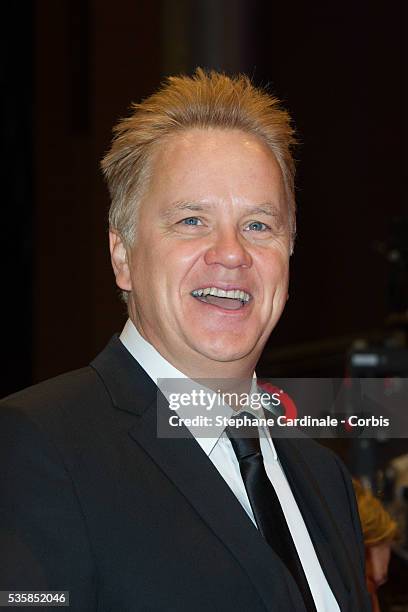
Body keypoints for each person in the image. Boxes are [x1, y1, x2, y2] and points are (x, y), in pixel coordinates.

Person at [0, 69, 371, 611]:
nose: (231, 253)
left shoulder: (325, 479)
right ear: (122, 256)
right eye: (193, 220)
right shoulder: (38, 447)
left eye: (259, 226)